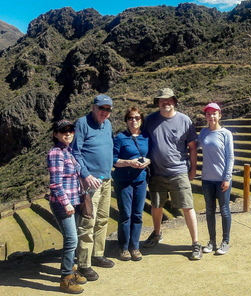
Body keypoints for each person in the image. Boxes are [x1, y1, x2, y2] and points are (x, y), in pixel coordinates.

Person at [142, 87, 202, 260]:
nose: (165, 103)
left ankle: (195, 243)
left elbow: (192, 148)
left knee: (187, 206)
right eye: (161, 101)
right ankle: (157, 233)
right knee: (156, 206)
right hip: (157, 172)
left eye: (168, 100)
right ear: (158, 103)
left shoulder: (185, 121)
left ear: (174, 102)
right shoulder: (150, 120)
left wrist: (193, 169)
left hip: (179, 171)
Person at [71, 95, 115, 281]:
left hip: (106, 179)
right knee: (87, 221)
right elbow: (75, 152)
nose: (104, 112)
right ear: (93, 107)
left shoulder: (108, 124)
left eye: (108, 109)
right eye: (101, 108)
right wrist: (86, 175)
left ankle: (97, 254)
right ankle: (84, 264)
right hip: (90, 183)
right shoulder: (82, 123)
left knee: (103, 219)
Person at [47, 119, 87, 294]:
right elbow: (55, 184)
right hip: (64, 204)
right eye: (63, 131)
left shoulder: (68, 151)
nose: (68, 133)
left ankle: (71, 270)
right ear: (55, 134)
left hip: (74, 202)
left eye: (71, 130)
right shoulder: (56, 153)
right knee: (71, 241)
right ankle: (66, 279)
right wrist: (67, 203)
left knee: (73, 239)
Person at [113, 106, 150, 261]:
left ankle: (134, 247)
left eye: (136, 118)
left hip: (140, 180)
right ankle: (123, 247)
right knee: (125, 214)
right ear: (126, 121)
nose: (133, 120)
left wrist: (147, 161)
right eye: (130, 118)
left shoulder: (146, 136)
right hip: (124, 181)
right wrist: (129, 162)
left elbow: (150, 155)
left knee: (137, 214)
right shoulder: (120, 138)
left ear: (141, 120)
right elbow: (113, 160)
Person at [197, 103, 234, 255]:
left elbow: (230, 157)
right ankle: (212, 241)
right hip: (206, 178)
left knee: (224, 210)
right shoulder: (203, 133)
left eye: (214, 113)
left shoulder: (226, 134)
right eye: (208, 114)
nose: (211, 117)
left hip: (221, 179)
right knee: (210, 210)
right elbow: (195, 146)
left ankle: (225, 242)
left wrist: (227, 178)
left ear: (219, 115)